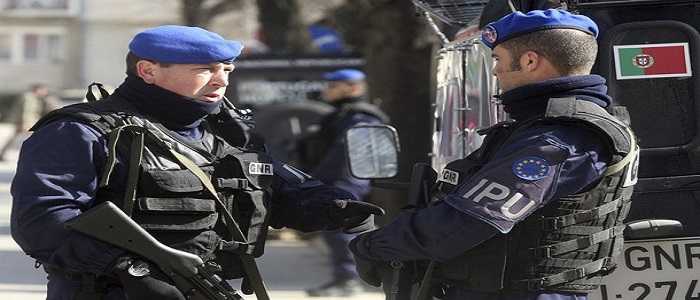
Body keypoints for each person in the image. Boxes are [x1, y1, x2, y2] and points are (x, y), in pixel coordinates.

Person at [10, 25, 384, 300]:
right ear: (148, 71)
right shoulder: (83, 131)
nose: (220, 80)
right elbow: (42, 223)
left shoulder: (226, 135)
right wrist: (132, 269)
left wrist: (339, 210)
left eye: (226, 69)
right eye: (204, 69)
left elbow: (274, 191)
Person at [350, 9, 639, 300]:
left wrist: (374, 246)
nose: (495, 71)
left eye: (498, 59)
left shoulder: (559, 137)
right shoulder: (549, 127)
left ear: (529, 61)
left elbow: (465, 222)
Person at [302, 69, 389, 297]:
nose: (327, 91)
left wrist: (317, 180)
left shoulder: (361, 117)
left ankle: (349, 280)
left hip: (346, 181)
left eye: (333, 86)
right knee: (337, 229)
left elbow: (345, 154)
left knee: (341, 229)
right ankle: (348, 278)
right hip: (339, 179)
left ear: (353, 88)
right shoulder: (344, 115)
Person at [0, 83, 59, 161]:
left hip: (28, 122)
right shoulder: (29, 98)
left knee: (14, 139)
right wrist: (25, 124)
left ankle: (2, 154)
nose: (45, 92)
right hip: (28, 123)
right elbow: (26, 111)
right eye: (43, 90)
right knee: (34, 140)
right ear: (37, 90)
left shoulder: (34, 97)